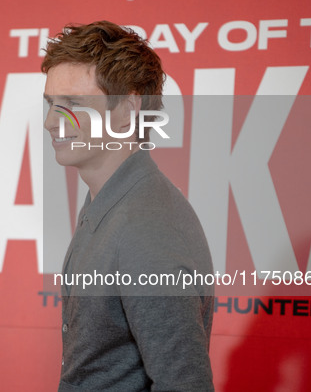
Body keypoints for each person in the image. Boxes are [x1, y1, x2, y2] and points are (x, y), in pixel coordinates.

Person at [42, 21, 215, 391]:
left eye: (73, 103)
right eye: (51, 104)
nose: (50, 122)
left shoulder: (146, 229)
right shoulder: (110, 202)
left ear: (127, 109)